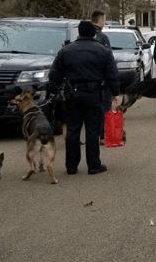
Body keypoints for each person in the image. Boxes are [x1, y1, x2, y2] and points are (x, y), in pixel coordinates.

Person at [49, 21, 120, 175]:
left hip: (72, 94)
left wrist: (54, 91)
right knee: (92, 130)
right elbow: (112, 75)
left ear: (79, 32)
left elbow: (54, 74)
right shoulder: (103, 51)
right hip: (94, 94)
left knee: (73, 130)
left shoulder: (66, 50)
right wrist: (115, 92)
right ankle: (94, 165)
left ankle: (72, 166)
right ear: (93, 33)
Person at [91, 9, 112, 146]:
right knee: (103, 109)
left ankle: (91, 135)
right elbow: (109, 61)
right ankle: (102, 135)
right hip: (102, 81)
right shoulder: (103, 38)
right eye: (103, 20)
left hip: (86, 81)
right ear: (100, 20)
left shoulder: (82, 37)